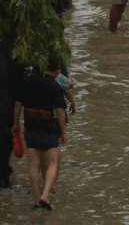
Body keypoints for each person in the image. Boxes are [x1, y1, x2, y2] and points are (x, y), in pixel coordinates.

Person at [12, 59, 68, 210]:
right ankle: (45, 195)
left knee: (33, 165)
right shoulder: (54, 86)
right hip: (48, 129)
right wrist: (63, 132)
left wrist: (16, 124)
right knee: (52, 163)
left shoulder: (28, 81)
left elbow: (18, 104)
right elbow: (61, 112)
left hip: (31, 127)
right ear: (56, 69)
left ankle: (37, 200)